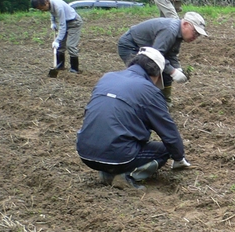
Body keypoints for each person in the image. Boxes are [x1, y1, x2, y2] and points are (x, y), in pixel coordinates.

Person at [76, 47, 191, 190]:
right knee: (166, 149)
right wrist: (179, 158)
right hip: (120, 156)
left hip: (85, 153)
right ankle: (128, 175)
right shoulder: (149, 90)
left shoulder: (107, 77)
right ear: (155, 73)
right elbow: (169, 133)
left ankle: (107, 173)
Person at [117, 12, 208, 105]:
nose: (195, 37)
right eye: (195, 32)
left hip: (148, 49)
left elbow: (171, 54)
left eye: (198, 35)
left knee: (165, 72)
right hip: (131, 45)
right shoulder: (170, 30)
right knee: (144, 72)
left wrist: (177, 68)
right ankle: (136, 103)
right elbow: (155, 57)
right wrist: (173, 72)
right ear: (185, 24)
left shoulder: (178, 33)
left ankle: (163, 102)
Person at [31, 0, 83, 73]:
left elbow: (62, 26)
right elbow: (52, 12)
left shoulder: (58, 7)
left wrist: (57, 40)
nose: (42, 10)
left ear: (46, 3)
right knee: (60, 46)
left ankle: (74, 68)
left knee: (70, 45)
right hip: (65, 22)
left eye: (42, 8)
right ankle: (60, 65)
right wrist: (53, 22)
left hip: (74, 23)